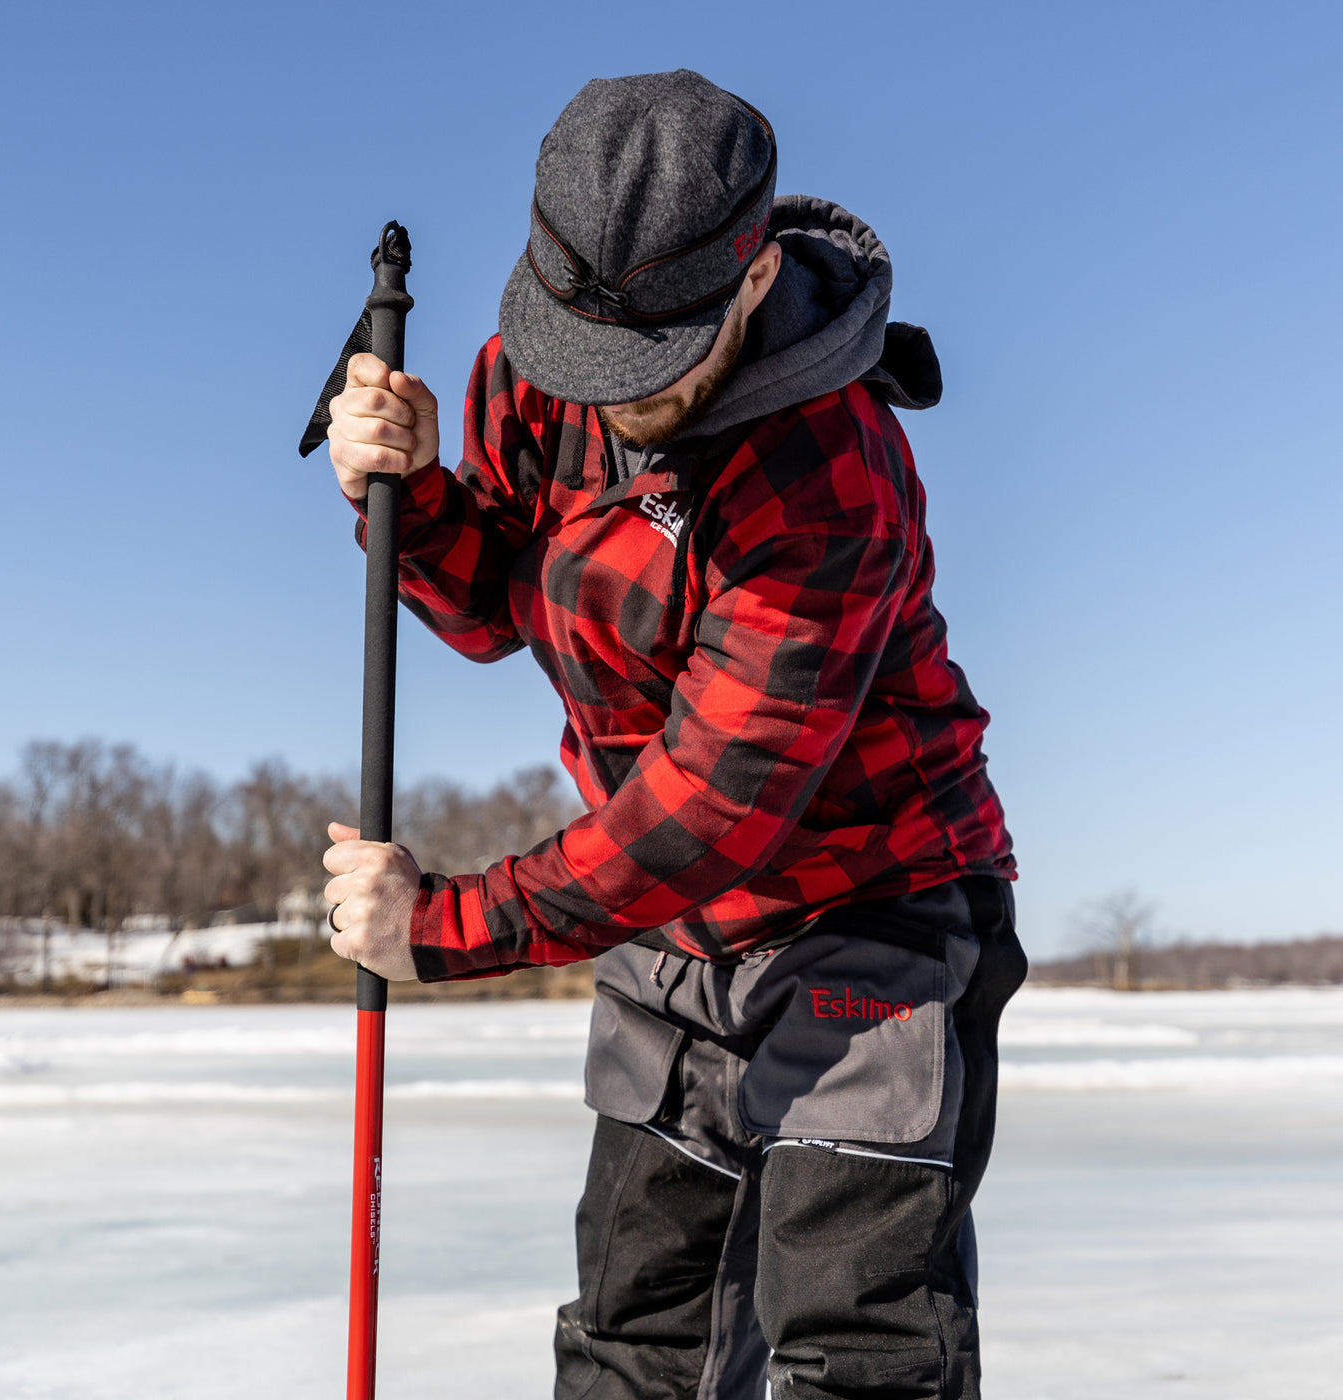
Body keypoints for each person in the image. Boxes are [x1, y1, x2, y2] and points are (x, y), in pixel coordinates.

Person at [320, 69, 1025, 1400]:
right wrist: (405, 496)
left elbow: (716, 808)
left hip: (869, 901)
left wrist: (450, 924)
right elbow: (497, 607)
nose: (610, 397)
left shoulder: (830, 471)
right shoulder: (541, 376)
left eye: (649, 367)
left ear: (753, 284)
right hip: (669, 932)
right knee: (637, 1327)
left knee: (853, 1337)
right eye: (585, 357)